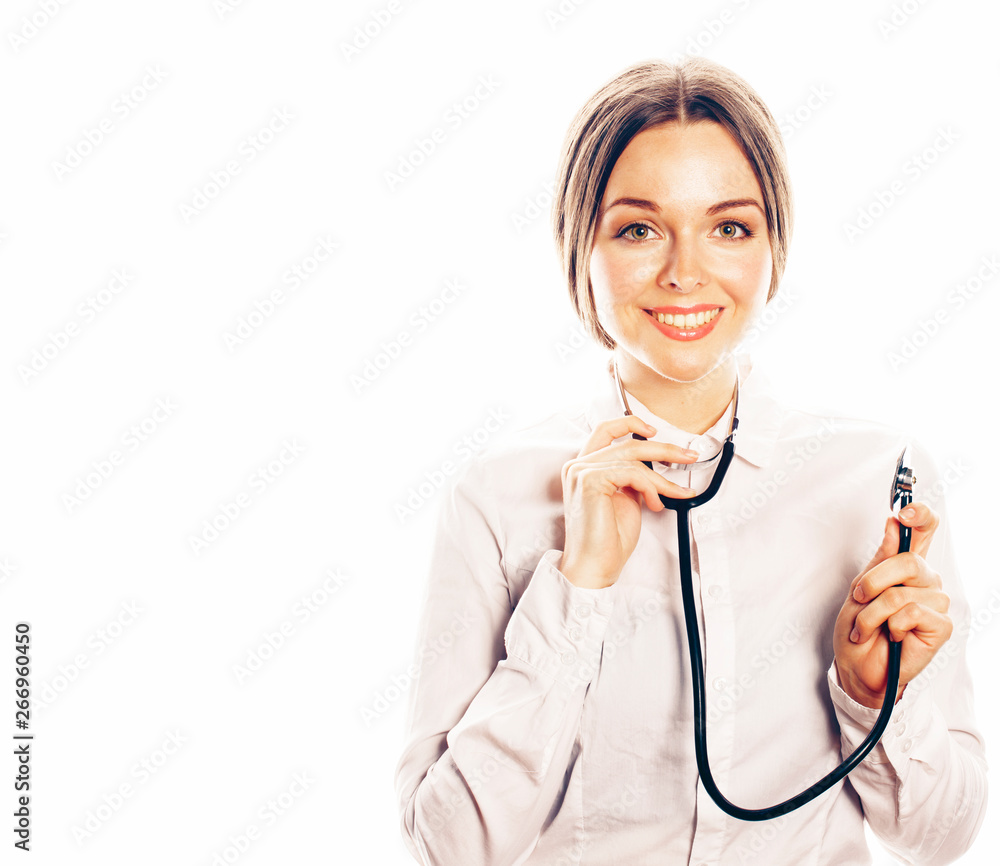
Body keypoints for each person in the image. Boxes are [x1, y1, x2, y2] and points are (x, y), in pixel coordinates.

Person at [393, 56, 987, 865]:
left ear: (773, 247)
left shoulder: (880, 479)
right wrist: (578, 590)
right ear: (581, 250)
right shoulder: (497, 498)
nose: (684, 272)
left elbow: (941, 838)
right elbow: (447, 848)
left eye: (729, 227)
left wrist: (871, 695)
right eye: (638, 228)